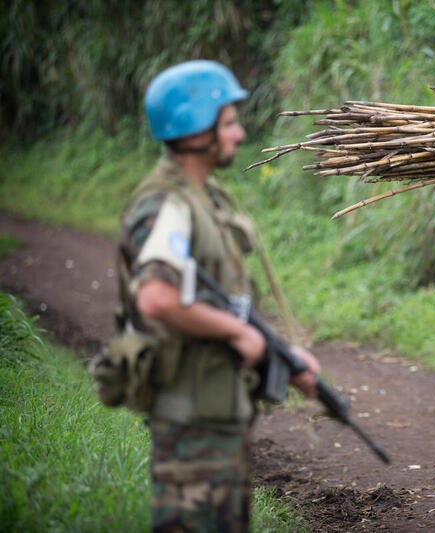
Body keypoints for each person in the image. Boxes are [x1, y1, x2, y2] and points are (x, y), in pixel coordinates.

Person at [119, 59, 320, 531]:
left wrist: (283, 357)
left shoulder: (202, 199)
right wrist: (237, 333)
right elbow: (156, 297)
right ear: (194, 131)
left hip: (214, 410)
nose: (240, 135)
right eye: (229, 123)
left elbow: (217, 301)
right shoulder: (168, 204)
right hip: (190, 420)